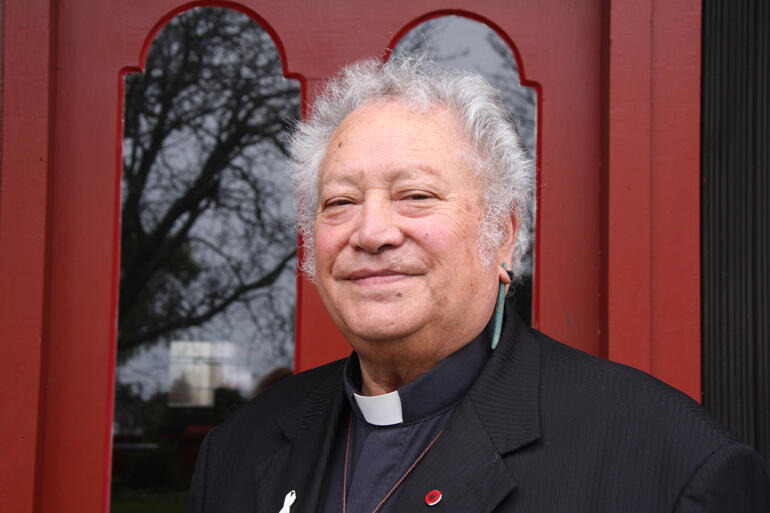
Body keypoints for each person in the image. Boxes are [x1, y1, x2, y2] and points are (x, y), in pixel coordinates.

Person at [187, 56, 770, 513]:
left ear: (503, 234)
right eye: (339, 202)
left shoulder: (669, 465)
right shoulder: (239, 451)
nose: (371, 231)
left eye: (415, 195)